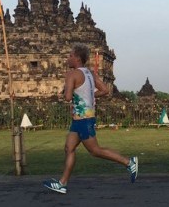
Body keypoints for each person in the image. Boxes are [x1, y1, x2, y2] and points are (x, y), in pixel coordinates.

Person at [43, 43, 138, 194]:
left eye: (70, 56)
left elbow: (67, 97)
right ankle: (62, 183)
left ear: (77, 58)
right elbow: (105, 90)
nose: (68, 58)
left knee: (95, 151)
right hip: (81, 119)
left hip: (83, 120)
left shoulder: (71, 75)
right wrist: (89, 95)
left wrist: (67, 91)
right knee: (69, 148)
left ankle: (128, 162)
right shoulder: (89, 74)